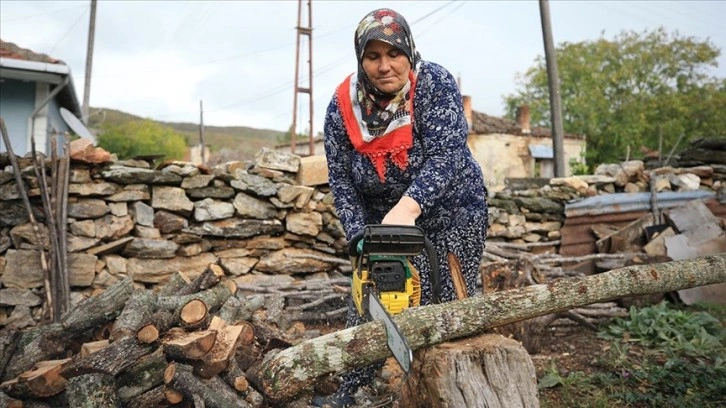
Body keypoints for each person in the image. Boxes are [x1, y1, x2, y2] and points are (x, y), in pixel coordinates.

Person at [313, 7, 488, 407]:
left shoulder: (434, 84)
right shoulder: (343, 106)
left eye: (393, 54)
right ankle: (351, 392)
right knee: (371, 302)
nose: (384, 66)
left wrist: (409, 208)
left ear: (409, 52)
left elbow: (447, 155)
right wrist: (360, 234)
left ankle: (449, 394)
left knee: (441, 305)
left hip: (451, 214)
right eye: (373, 56)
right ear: (361, 59)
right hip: (382, 222)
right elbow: (340, 178)